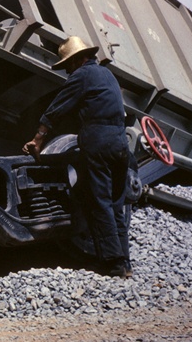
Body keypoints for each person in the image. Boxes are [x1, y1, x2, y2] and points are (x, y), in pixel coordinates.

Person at [22, 36, 132, 278]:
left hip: (99, 140)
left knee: (99, 201)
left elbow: (57, 108)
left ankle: (112, 264)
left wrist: (38, 138)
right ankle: (125, 263)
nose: (68, 71)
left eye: (68, 65)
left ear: (78, 60)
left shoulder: (81, 75)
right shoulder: (107, 74)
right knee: (115, 203)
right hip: (120, 141)